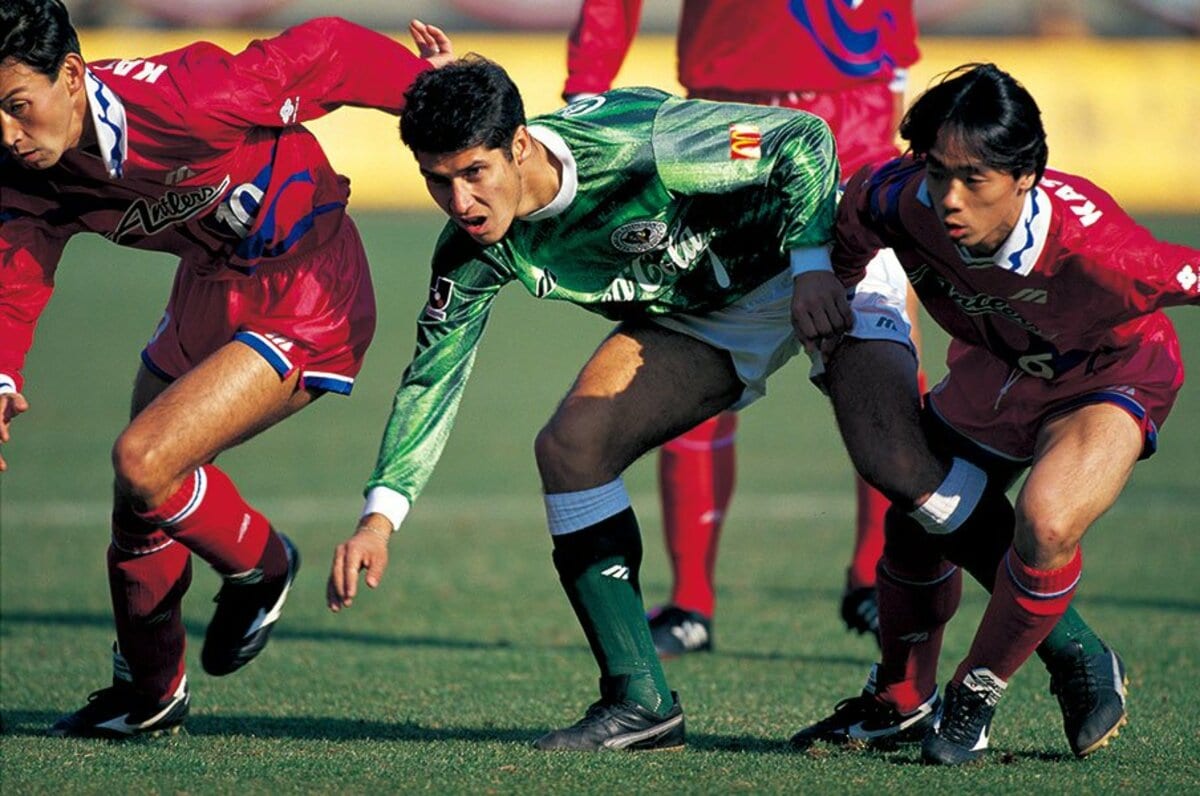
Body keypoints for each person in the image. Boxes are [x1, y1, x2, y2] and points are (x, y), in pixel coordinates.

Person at [325, 55, 918, 751]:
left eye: (473, 173)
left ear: (518, 145)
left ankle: (1040, 664)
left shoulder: (645, 144)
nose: (460, 203)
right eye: (438, 180)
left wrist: (815, 265)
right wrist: (379, 518)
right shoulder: (474, 250)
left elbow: (803, 141)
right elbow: (432, 377)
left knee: (904, 467)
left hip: (819, 256)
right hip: (708, 313)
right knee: (572, 447)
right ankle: (640, 701)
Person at [0, 0, 452, 737]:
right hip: (209, 288)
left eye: (18, 106)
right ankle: (151, 697)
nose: (8, 134)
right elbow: (13, 273)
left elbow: (326, 51)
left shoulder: (189, 97)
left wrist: (431, 97)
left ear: (73, 76)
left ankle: (266, 566)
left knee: (145, 460)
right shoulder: (29, 173)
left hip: (309, 281)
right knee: (136, 493)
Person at [791, 62, 1198, 764]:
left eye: (973, 179)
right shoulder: (902, 197)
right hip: (1001, 370)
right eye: (937, 171)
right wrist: (822, 278)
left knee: (1045, 521)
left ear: (1025, 177)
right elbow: (847, 220)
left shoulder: (1106, 255)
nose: (949, 198)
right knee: (914, 523)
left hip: (1110, 376)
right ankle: (899, 700)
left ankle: (975, 695)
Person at [563, 0, 927, 654]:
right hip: (726, 130)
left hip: (857, 127)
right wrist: (585, 100)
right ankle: (691, 603)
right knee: (686, 371)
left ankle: (876, 580)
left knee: (884, 377)